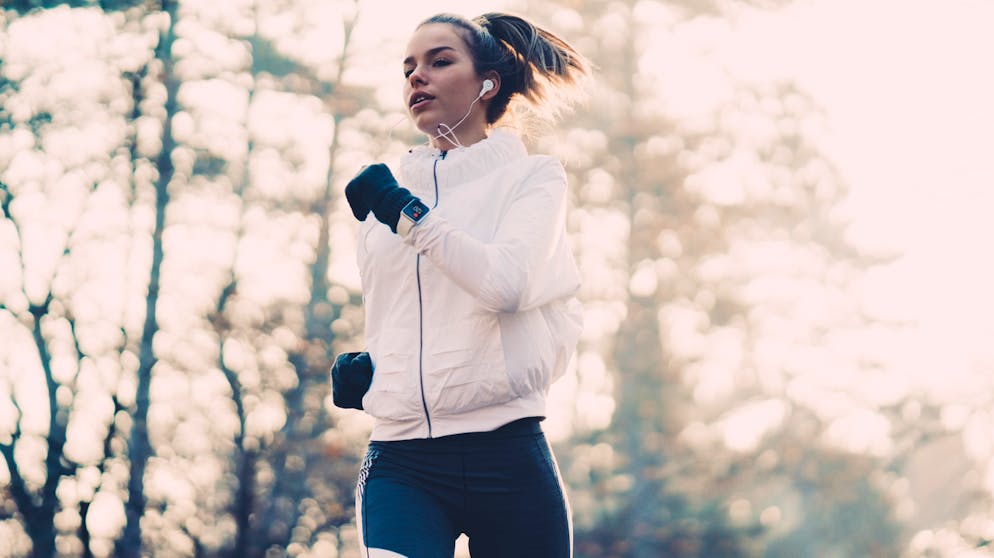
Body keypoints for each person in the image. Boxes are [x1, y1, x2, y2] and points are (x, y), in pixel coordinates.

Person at [334, 11, 590, 558]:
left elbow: (507, 285)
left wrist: (405, 214)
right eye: (408, 68)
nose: (417, 76)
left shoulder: (532, 178)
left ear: (487, 84)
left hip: (508, 455)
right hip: (402, 460)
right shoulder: (385, 197)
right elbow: (405, 313)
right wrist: (376, 369)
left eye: (440, 61)